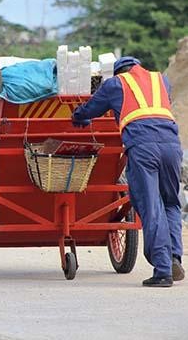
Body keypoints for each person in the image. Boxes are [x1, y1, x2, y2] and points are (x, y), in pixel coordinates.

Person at [72, 56, 184, 287]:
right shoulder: (161, 79)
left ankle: (163, 270)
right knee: (171, 203)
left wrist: (78, 117)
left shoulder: (115, 84)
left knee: (151, 206)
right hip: (172, 145)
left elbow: (91, 109)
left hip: (144, 147)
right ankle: (174, 257)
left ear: (118, 72)